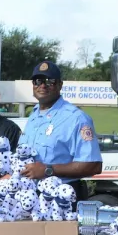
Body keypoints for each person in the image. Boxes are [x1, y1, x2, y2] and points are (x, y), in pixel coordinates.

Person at [19, 60, 102, 196]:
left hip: (61, 198)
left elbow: (93, 165)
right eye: (38, 81)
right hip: (30, 196)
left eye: (50, 81)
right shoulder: (33, 117)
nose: (43, 85)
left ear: (60, 85)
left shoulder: (76, 118)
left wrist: (48, 170)